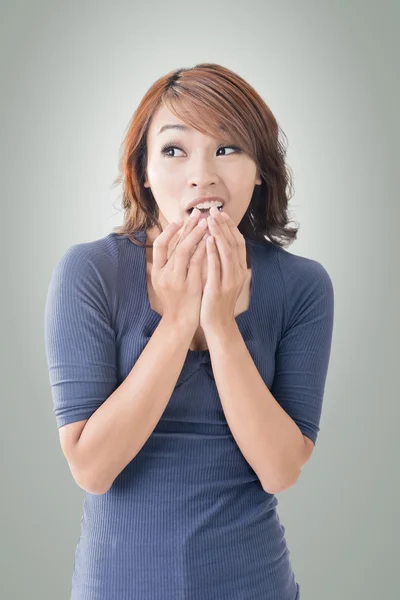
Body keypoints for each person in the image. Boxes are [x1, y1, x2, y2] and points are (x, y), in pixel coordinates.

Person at [44, 63, 334, 600]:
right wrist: (177, 322)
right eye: (175, 150)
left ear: (261, 171)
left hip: (255, 584)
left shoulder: (302, 285)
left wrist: (221, 327)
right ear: (145, 172)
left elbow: (279, 470)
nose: (202, 175)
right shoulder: (90, 272)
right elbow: (91, 467)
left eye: (228, 149)